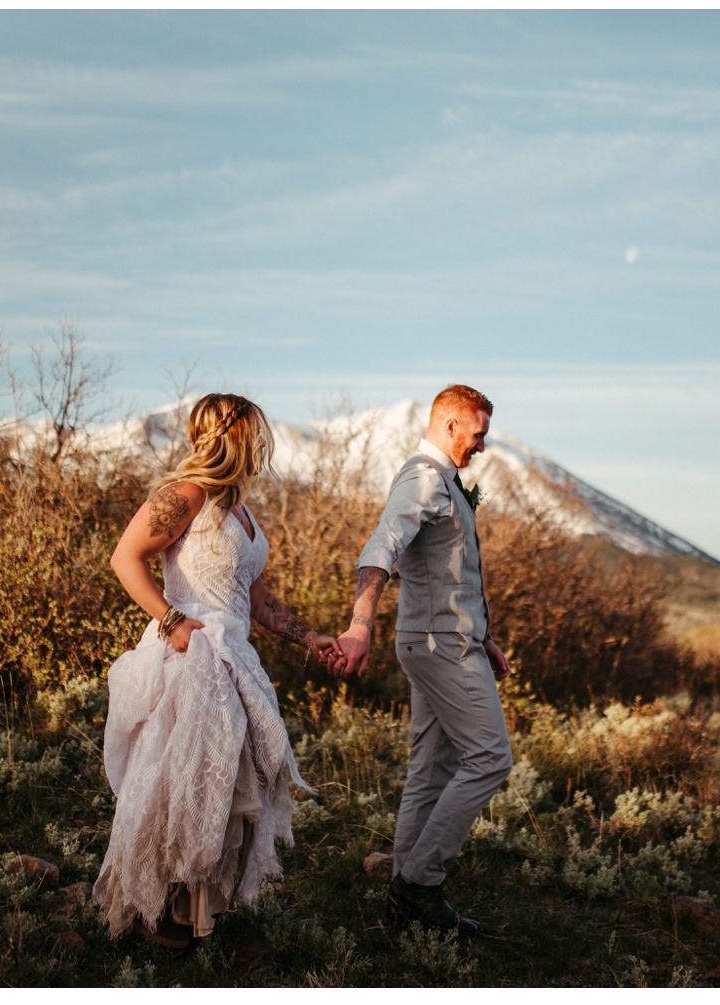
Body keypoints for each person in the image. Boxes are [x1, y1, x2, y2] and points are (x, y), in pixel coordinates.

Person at [93, 393, 341, 948]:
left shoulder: (242, 510)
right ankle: (158, 912)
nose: (262, 444)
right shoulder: (185, 494)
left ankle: (200, 912)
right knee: (181, 787)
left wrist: (308, 636)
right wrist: (171, 620)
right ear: (229, 434)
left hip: (234, 658)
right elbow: (124, 557)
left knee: (229, 785)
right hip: (191, 657)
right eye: (254, 433)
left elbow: (251, 593)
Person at [334, 383, 513, 936]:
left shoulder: (446, 484)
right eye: (477, 434)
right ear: (451, 425)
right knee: (491, 756)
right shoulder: (422, 477)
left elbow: (448, 572)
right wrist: (360, 622)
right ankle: (420, 883)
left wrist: (483, 635)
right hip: (440, 649)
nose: (482, 445)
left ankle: (401, 897)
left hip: (449, 640)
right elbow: (380, 548)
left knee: (431, 768)